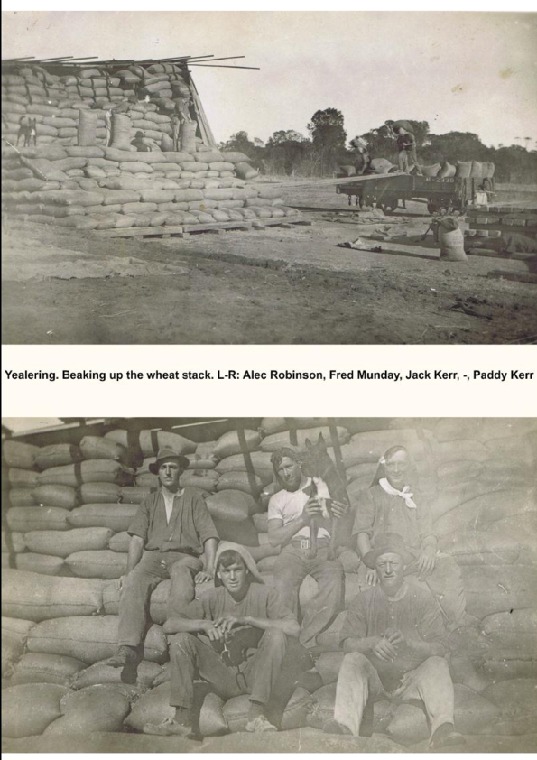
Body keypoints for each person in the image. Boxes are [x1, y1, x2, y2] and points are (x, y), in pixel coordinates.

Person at [144, 542, 310, 736]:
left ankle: (256, 716)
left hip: (256, 675)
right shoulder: (212, 597)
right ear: (219, 575)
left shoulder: (265, 595)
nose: (232, 577)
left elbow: (294, 628)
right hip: (222, 674)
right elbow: (170, 624)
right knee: (182, 640)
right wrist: (203, 625)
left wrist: (248, 620)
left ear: (247, 571)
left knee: (276, 635)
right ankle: (182, 721)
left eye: (237, 570)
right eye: (226, 571)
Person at [324, 533, 463, 749]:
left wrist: (410, 644)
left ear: (404, 566)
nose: (388, 569)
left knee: (437, 663)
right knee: (352, 659)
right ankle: (345, 728)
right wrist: (371, 643)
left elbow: (441, 646)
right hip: (376, 680)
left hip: (412, 679)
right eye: (382, 564)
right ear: (376, 569)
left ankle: (443, 729)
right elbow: (346, 643)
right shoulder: (363, 601)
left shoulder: (424, 599)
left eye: (394, 563)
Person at [107, 447, 218, 682]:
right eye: (164, 467)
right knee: (135, 580)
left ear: (180, 471)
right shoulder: (150, 502)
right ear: (158, 472)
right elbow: (137, 539)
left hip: (184, 556)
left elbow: (209, 535)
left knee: (180, 572)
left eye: (173, 467)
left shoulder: (194, 498)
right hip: (154, 558)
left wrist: (210, 568)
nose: (168, 471)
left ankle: (180, 628)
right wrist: (128, 573)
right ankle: (127, 646)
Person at [352, 445, 471, 633]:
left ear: (409, 466)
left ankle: (456, 626)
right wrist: (371, 562)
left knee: (446, 567)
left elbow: (428, 532)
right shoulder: (371, 495)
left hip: (412, 559)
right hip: (382, 559)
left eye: (401, 464)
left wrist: (429, 550)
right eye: (391, 465)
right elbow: (362, 534)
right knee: (380, 597)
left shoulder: (418, 498)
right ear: (384, 467)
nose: (397, 470)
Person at [267, 448, 346, 649]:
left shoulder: (320, 484)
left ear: (299, 464)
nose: (285, 473)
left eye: (289, 466)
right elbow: (274, 538)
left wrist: (343, 511)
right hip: (294, 549)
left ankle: (304, 638)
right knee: (282, 586)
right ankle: (287, 637)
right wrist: (301, 519)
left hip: (322, 547)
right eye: (280, 470)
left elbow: (340, 510)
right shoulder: (277, 499)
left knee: (334, 585)